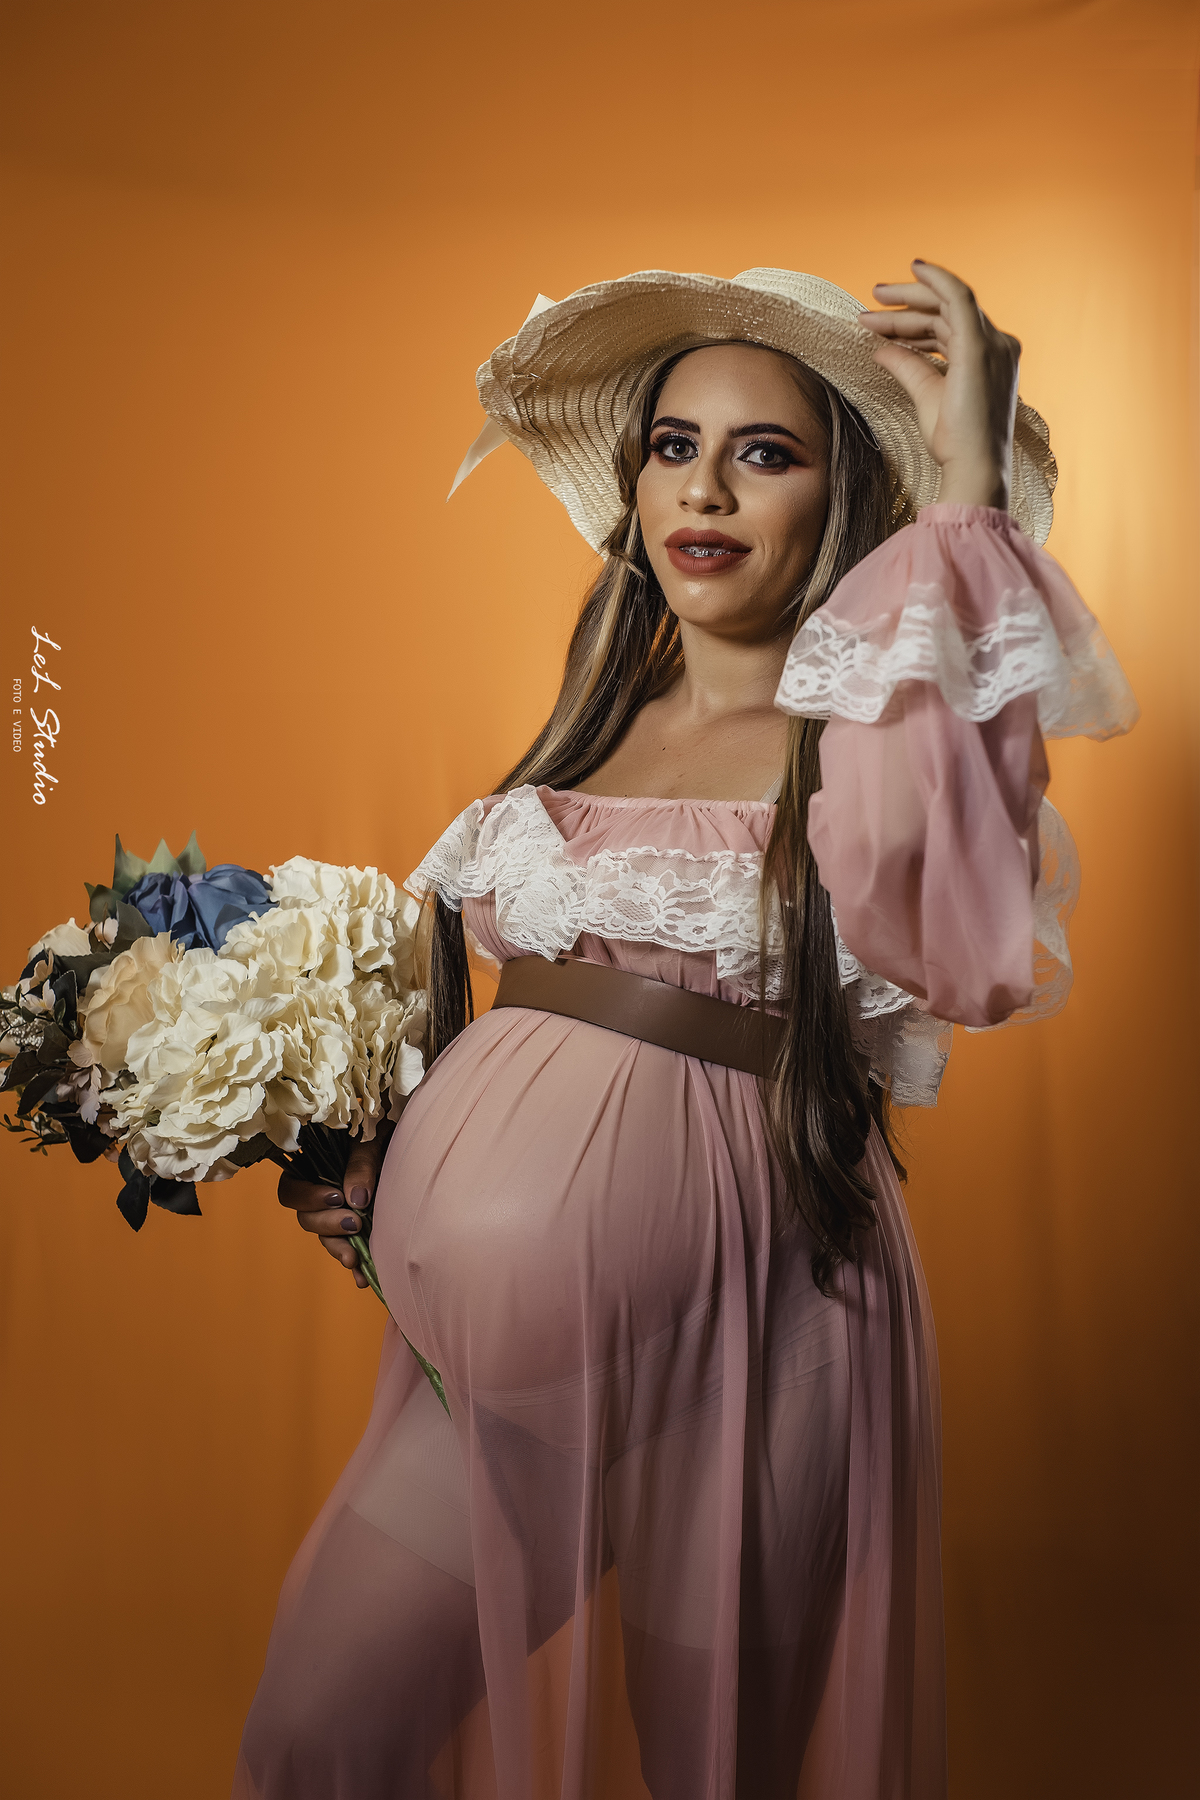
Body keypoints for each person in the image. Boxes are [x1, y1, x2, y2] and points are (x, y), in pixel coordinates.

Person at [232, 262, 1136, 1800]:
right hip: (494, 1387)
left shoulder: (869, 748)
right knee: (316, 1733)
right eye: (672, 445)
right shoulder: (581, 735)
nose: (703, 489)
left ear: (843, 500)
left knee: (718, 1777)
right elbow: (535, 1039)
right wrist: (385, 1169)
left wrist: (963, 476)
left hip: (762, 1343)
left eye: (763, 453)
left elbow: (965, 931)